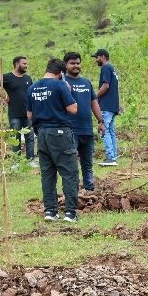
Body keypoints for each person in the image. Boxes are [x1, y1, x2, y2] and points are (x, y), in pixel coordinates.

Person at [27, 58, 79, 223]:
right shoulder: (60, 85)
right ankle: (70, 213)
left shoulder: (32, 88)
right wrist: (68, 91)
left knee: (48, 174)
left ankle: (50, 211)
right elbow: (73, 109)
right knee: (69, 173)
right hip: (60, 132)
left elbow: (29, 115)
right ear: (61, 73)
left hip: (41, 133)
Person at [62, 52, 105, 192]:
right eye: (72, 63)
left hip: (87, 130)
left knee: (87, 164)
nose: (76, 66)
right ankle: (72, 192)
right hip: (70, 130)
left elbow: (94, 103)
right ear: (65, 65)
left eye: (78, 63)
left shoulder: (86, 82)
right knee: (71, 164)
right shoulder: (61, 84)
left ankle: (89, 191)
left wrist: (101, 121)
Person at [0, 56, 34, 161]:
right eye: (24, 64)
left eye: (26, 64)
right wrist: (4, 96)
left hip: (28, 113)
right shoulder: (7, 77)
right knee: (15, 138)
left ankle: (30, 160)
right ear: (17, 64)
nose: (26, 66)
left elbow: (31, 93)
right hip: (14, 114)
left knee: (30, 138)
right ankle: (16, 162)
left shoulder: (27, 78)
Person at [94, 49, 120, 166]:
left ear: (103, 57)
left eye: (97, 57)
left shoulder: (105, 68)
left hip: (106, 105)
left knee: (103, 129)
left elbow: (106, 86)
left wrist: (94, 97)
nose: (96, 60)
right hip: (114, 105)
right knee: (110, 131)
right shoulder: (112, 68)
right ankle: (114, 156)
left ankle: (111, 157)